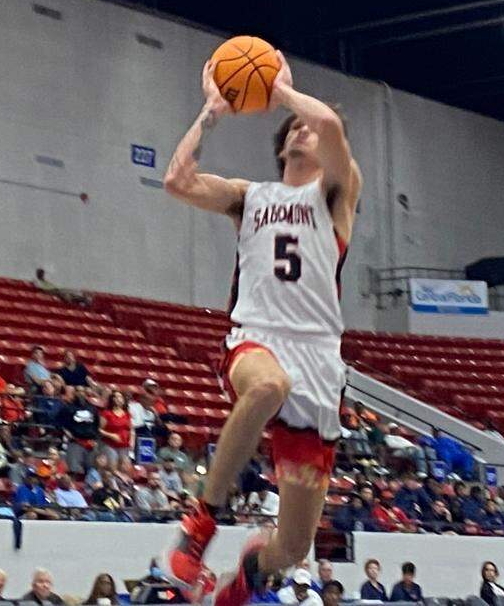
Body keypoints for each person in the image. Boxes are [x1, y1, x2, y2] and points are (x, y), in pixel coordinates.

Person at [163, 53, 361, 606]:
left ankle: (249, 575)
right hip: (258, 336)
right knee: (269, 386)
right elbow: (176, 180)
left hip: (320, 358)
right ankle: (201, 521)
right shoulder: (251, 196)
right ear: (281, 147)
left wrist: (279, 92)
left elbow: (331, 126)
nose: (304, 129)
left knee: (295, 547)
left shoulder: (336, 195)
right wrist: (211, 112)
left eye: (310, 127)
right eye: (293, 127)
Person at [60, 388, 101, 474]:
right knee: (73, 468)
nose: (80, 393)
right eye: (78, 391)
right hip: (75, 441)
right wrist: (66, 431)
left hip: (90, 442)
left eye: (82, 391)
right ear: (74, 393)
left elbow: (97, 424)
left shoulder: (92, 408)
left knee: (91, 469)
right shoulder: (68, 408)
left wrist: (96, 439)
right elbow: (60, 422)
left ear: (86, 394)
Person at [100, 390, 132, 467]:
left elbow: (131, 429)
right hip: (110, 444)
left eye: (120, 397)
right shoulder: (106, 413)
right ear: (112, 399)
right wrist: (111, 435)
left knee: (123, 467)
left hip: (124, 445)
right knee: (112, 466)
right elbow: (99, 429)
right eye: (115, 397)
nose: (118, 398)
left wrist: (132, 441)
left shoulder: (127, 414)